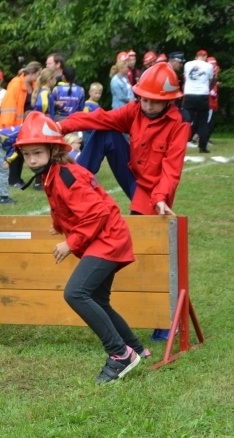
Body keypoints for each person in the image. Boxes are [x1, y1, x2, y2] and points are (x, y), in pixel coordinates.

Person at [14, 111, 149, 383]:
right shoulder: (52, 174)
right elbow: (60, 204)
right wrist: (59, 224)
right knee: (98, 300)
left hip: (107, 239)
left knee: (75, 293)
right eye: (27, 155)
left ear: (54, 149)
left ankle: (119, 354)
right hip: (104, 238)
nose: (31, 160)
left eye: (37, 153)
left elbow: (97, 213)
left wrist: (70, 242)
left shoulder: (66, 175)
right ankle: (135, 348)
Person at [60, 62, 191, 342]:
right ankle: (78, 180)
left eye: (154, 102)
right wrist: (61, 125)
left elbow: (172, 169)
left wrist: (159, 198)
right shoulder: (134, 110)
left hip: (154, 191)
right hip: (133, 176)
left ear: (169, 101)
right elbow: (99, 119)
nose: (147, 105)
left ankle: (164, 318)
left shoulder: (179, 125)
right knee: (105, 129)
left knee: (148, 248)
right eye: (143, 98)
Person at [0, 62, 43, 187]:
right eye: (39, 74)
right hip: (15, 123)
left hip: (27, 124)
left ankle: (17, 178)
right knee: (14, 152)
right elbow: (9, 106)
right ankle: (13, 179)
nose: (39, 77)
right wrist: (8, 127)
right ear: (34, 72)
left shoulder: (32, 84)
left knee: (22, 152)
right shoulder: (16, 84)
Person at [182, 49, 214, 153]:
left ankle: (181, 143)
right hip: (202, 94)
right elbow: (210, 80)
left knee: (186, 120)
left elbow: (186, 78)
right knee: (202, 122)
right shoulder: (209, 66)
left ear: (196, 56)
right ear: (205, 57)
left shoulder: (187, 64)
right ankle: (202, 147)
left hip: (189, 94)